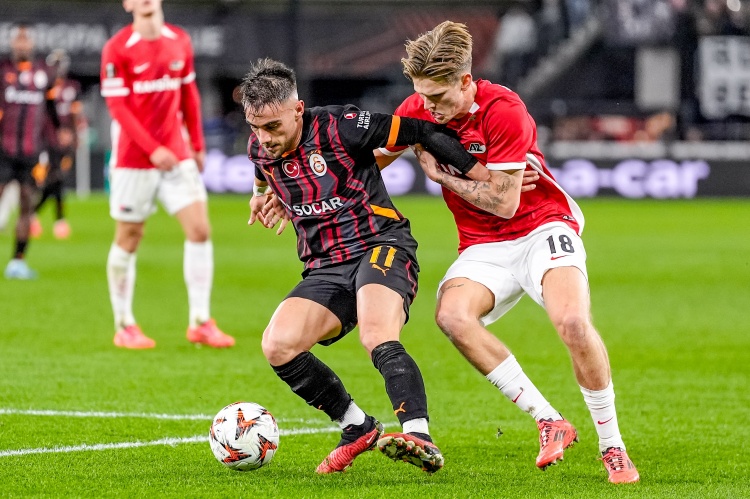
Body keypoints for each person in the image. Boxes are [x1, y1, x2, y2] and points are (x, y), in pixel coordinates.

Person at [375, 21, 640, 484]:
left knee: (573, 323)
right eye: (422, 96)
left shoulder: (503, 109)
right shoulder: (419, 106)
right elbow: (371, 157)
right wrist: (288, 189)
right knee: (452, 317)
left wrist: (443, 177)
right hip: (483, 245)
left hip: (542, 226)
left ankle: (612, 445)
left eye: (438, 97)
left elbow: (505, 203)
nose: (429, 108)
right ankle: (549, 420)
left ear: (465, 81)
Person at [241, 58, 481, 475]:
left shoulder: (343, 126)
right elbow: (262, 169)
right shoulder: (260, 147)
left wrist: (480, 174)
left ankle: (419, 435)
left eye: (273, 127)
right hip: (325, 265)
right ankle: (357, 427)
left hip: (381, 245)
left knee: (376, 334)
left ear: (298, 110)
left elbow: (422, 130)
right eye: (255, 128)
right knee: (278, 345)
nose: (264, 138)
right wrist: (261, 193)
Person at [100, 0, 234, 349]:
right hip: (134, 159)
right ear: (127, 4)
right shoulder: (117, 48)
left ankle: (200, 321)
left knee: (200, 230)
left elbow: (188, 94)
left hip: (176, 154)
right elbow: (118, 108)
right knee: (129, 236)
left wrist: (198, 144)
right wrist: (151, 149)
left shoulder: (180, 40)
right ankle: (124, 325)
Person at [0, 22, 59, 280]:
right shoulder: (3, 71)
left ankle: (18, 261)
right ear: (12, 43)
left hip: (30, 152)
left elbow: (51, 112)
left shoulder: (43, 74)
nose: (22, 44)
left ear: (32, 43)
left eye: (26, 39)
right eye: (19, 39)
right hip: (3, 150)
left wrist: (57, 138)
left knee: (27, 205)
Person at [30, 49, 84, 240]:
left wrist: (74, 136)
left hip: (65, 144)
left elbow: (75, 115)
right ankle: (57, 220)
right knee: (53, 179)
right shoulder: (44, 87)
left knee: (57, 179)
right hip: (46, 142)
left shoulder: (72, 87)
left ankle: (35, 214)